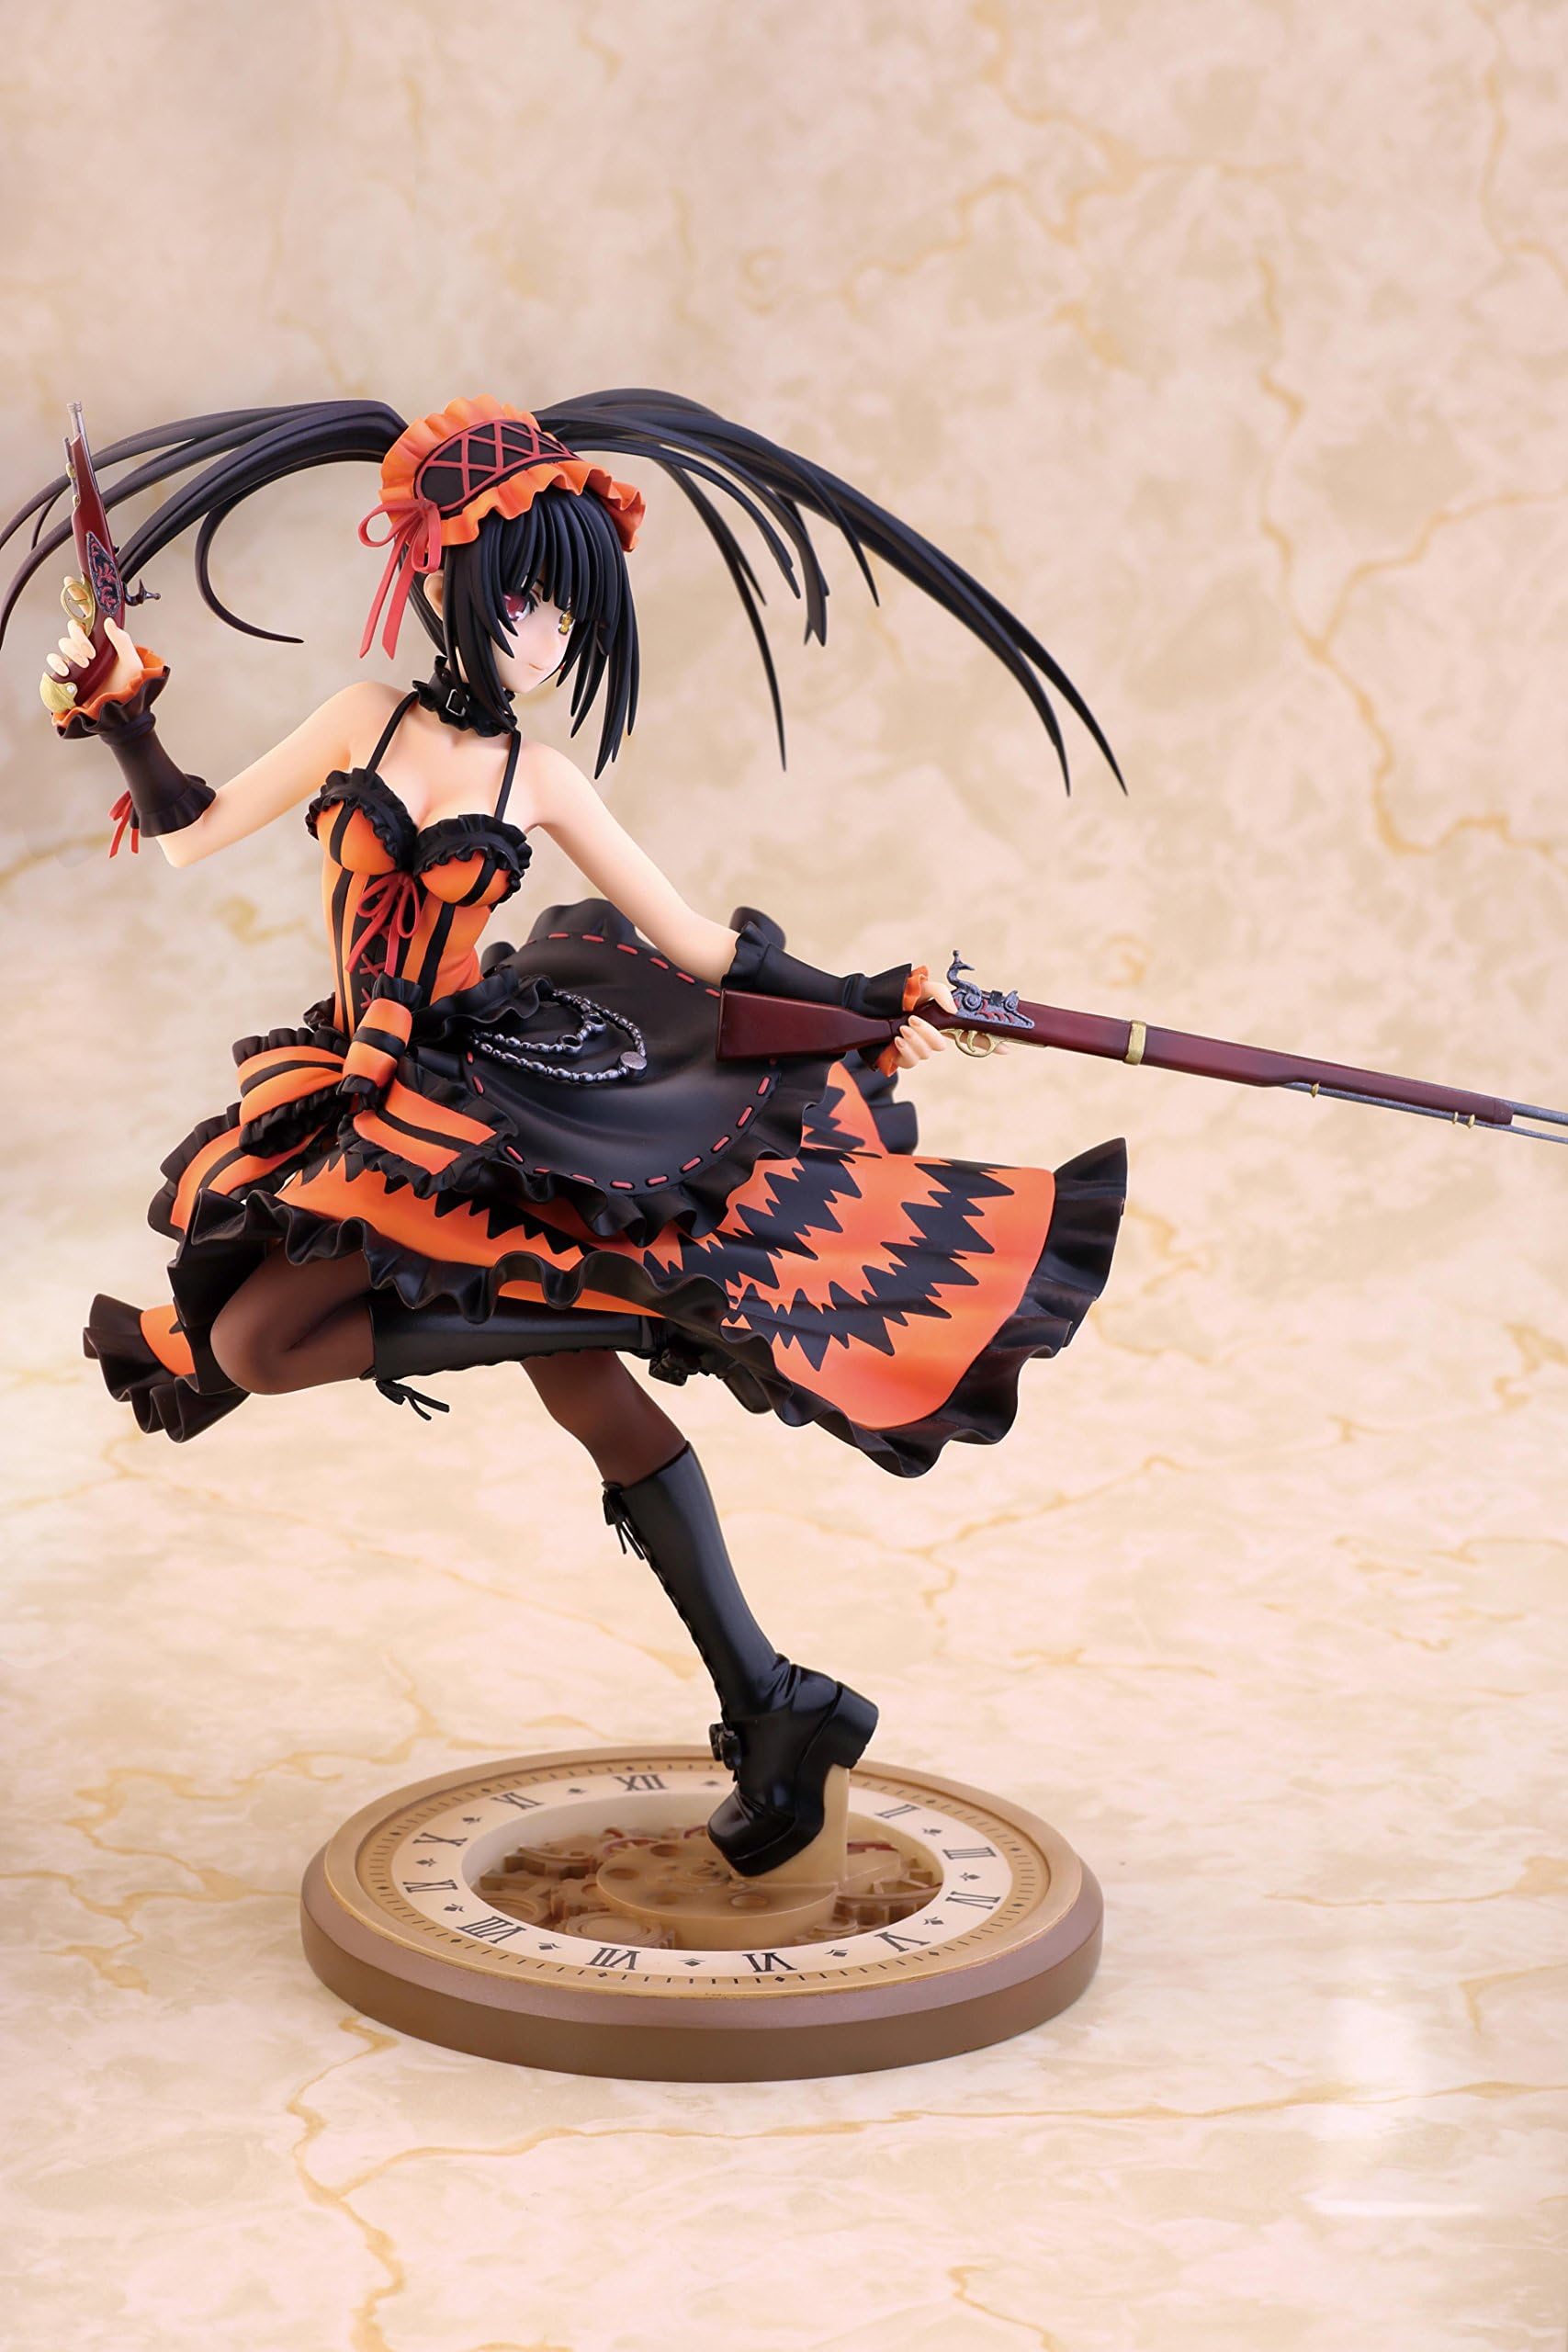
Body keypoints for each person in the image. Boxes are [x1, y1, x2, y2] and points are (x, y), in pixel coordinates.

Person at [2, 390, 1128, 1876]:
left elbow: (703, 946)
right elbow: (193, 830)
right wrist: (130, 717)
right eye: (526, 600)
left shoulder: (542, 780)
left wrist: (874, 997)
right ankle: (776, 1695)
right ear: (447, 579)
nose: (541, 640)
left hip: (491, 1095)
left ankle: (769, 1683)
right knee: (334, 1350)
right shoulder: (360, 722)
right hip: (366, 1087)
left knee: (278, 1347)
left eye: (567, 616)